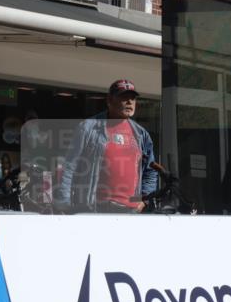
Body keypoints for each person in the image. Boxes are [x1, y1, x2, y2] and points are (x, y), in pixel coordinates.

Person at [55, 79, 157, 213]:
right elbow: (69, 167)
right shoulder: (88, 128)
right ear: (109, 100)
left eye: (132, 98)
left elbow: (151, 170)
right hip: (95, 209)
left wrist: (144, 200)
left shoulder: (140, 134)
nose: (129, 102)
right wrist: (64, 203)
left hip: (130, 211)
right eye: (124, 97)